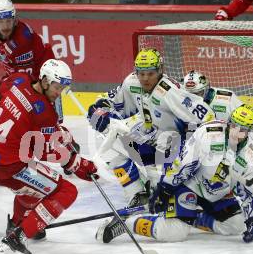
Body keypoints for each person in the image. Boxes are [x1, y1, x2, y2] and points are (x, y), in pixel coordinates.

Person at [96, 105, 253, 244]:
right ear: (229, 123)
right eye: (234, 126)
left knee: (235, 225)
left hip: (216, 195)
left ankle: (192, 216)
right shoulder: (208, 134)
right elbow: (182, 164)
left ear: (250, 131)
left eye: (243, 130)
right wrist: (165, 190)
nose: (237, 133)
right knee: (174, 233)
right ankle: (127, 224)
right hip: (188, 186)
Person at [0, 59, 98, 254]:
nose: (58, 93)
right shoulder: (45, 111)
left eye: (62, 88)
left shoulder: (18, 80)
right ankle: (18, 237)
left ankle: (17, 223)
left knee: (33, 184)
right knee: (67, 190)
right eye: (56, 87)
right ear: (44, 80)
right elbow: (43, 152)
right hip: (10, 165)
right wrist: (77, 163)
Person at [87, 49, 215, 209]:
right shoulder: (131, 83)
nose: (145, 79)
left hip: (175, 149)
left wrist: (195, 149)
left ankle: (169, 190)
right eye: (141, 73)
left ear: (160, 70)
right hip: (148, 140)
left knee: (172, 199)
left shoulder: (171, 92)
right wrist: (98, 111)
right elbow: (110, 102)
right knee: (110, 145)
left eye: (150, 73)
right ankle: (136, 194)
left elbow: (208, 116)